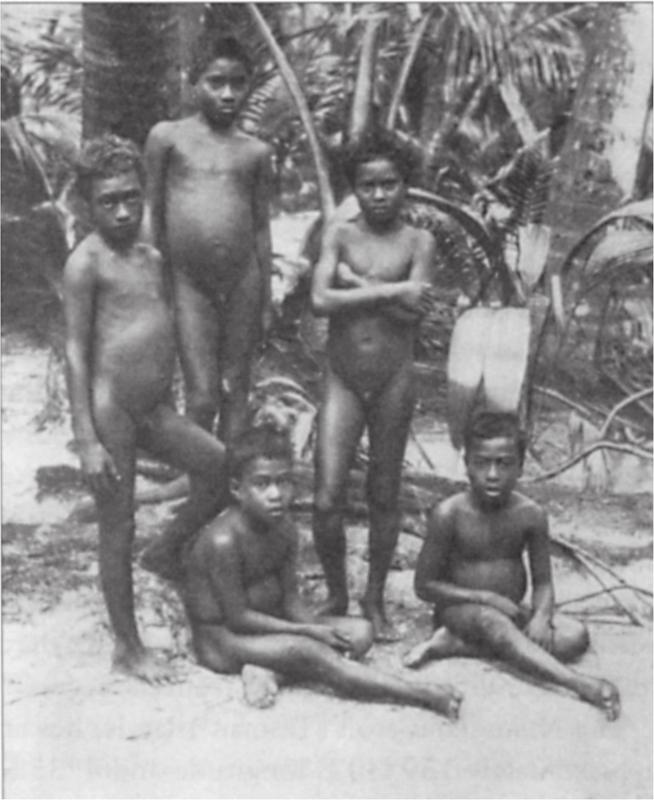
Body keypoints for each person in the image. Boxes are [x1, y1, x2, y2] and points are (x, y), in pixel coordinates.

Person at [63, 135, 228, 683]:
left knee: (217, 465)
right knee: (118, 523)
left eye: (131, 197)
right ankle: (127, 646)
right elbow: (76, 352)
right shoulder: (85, 263)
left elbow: (171, 321)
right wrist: (86, 437)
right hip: (111, 413)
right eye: (108, 201)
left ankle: (168, 548)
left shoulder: (152, 253)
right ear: (87, 204)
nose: (122, 210)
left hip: (154, 407)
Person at [181, 425, 462, 718]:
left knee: (360, 632)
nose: (276, 494)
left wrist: (321, 630)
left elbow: (290, 600)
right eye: (262, 484)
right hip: (223, 641)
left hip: (269, 627)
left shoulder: (284, 529)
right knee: (310, 652)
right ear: (238, 489)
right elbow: (238, 618)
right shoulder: (223, 541)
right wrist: (308, 633)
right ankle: (422, 694)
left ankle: (271, 670)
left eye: (283, 482)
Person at [404, 412, 621, 721]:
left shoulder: (531, 514)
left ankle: (453, 645)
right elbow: (424, 586)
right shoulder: (448, 513)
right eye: (482, 463)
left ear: (520, 466)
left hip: (511, 612)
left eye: (504, 464)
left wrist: (542, 616)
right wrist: (486, 598)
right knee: (491, 621)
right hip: (461, 610)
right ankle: (579, 684)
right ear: (467, 465)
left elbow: (543, 582)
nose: (492, 474)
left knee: (574, 635)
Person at [310, 130, 437, 640]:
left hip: (393, 380)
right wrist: (393, 288)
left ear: (406, 186)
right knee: (325, 497)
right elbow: (319, 300)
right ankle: (338, 594)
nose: (380, 194)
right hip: (342, 378)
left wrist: (358, 285)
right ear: (354, 188)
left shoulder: (418, 242)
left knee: (384, 494)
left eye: (390, 184)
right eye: (369, 185)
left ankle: (375, 599)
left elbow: (414, 313)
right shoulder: (338, 235)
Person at [142, 35, 273, 445]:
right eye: (216, 82)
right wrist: (151, 280)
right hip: (188, 281)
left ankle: (229, 481)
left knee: (236, 386)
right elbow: (152, 210)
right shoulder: (168, 137)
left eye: (238, 82)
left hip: (243, 280)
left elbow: (261, 226)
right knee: (202, 395)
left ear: (250, 84)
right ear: (194, 82)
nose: (228, 93)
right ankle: (201, 479)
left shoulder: (255, 152)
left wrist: (266, 297)